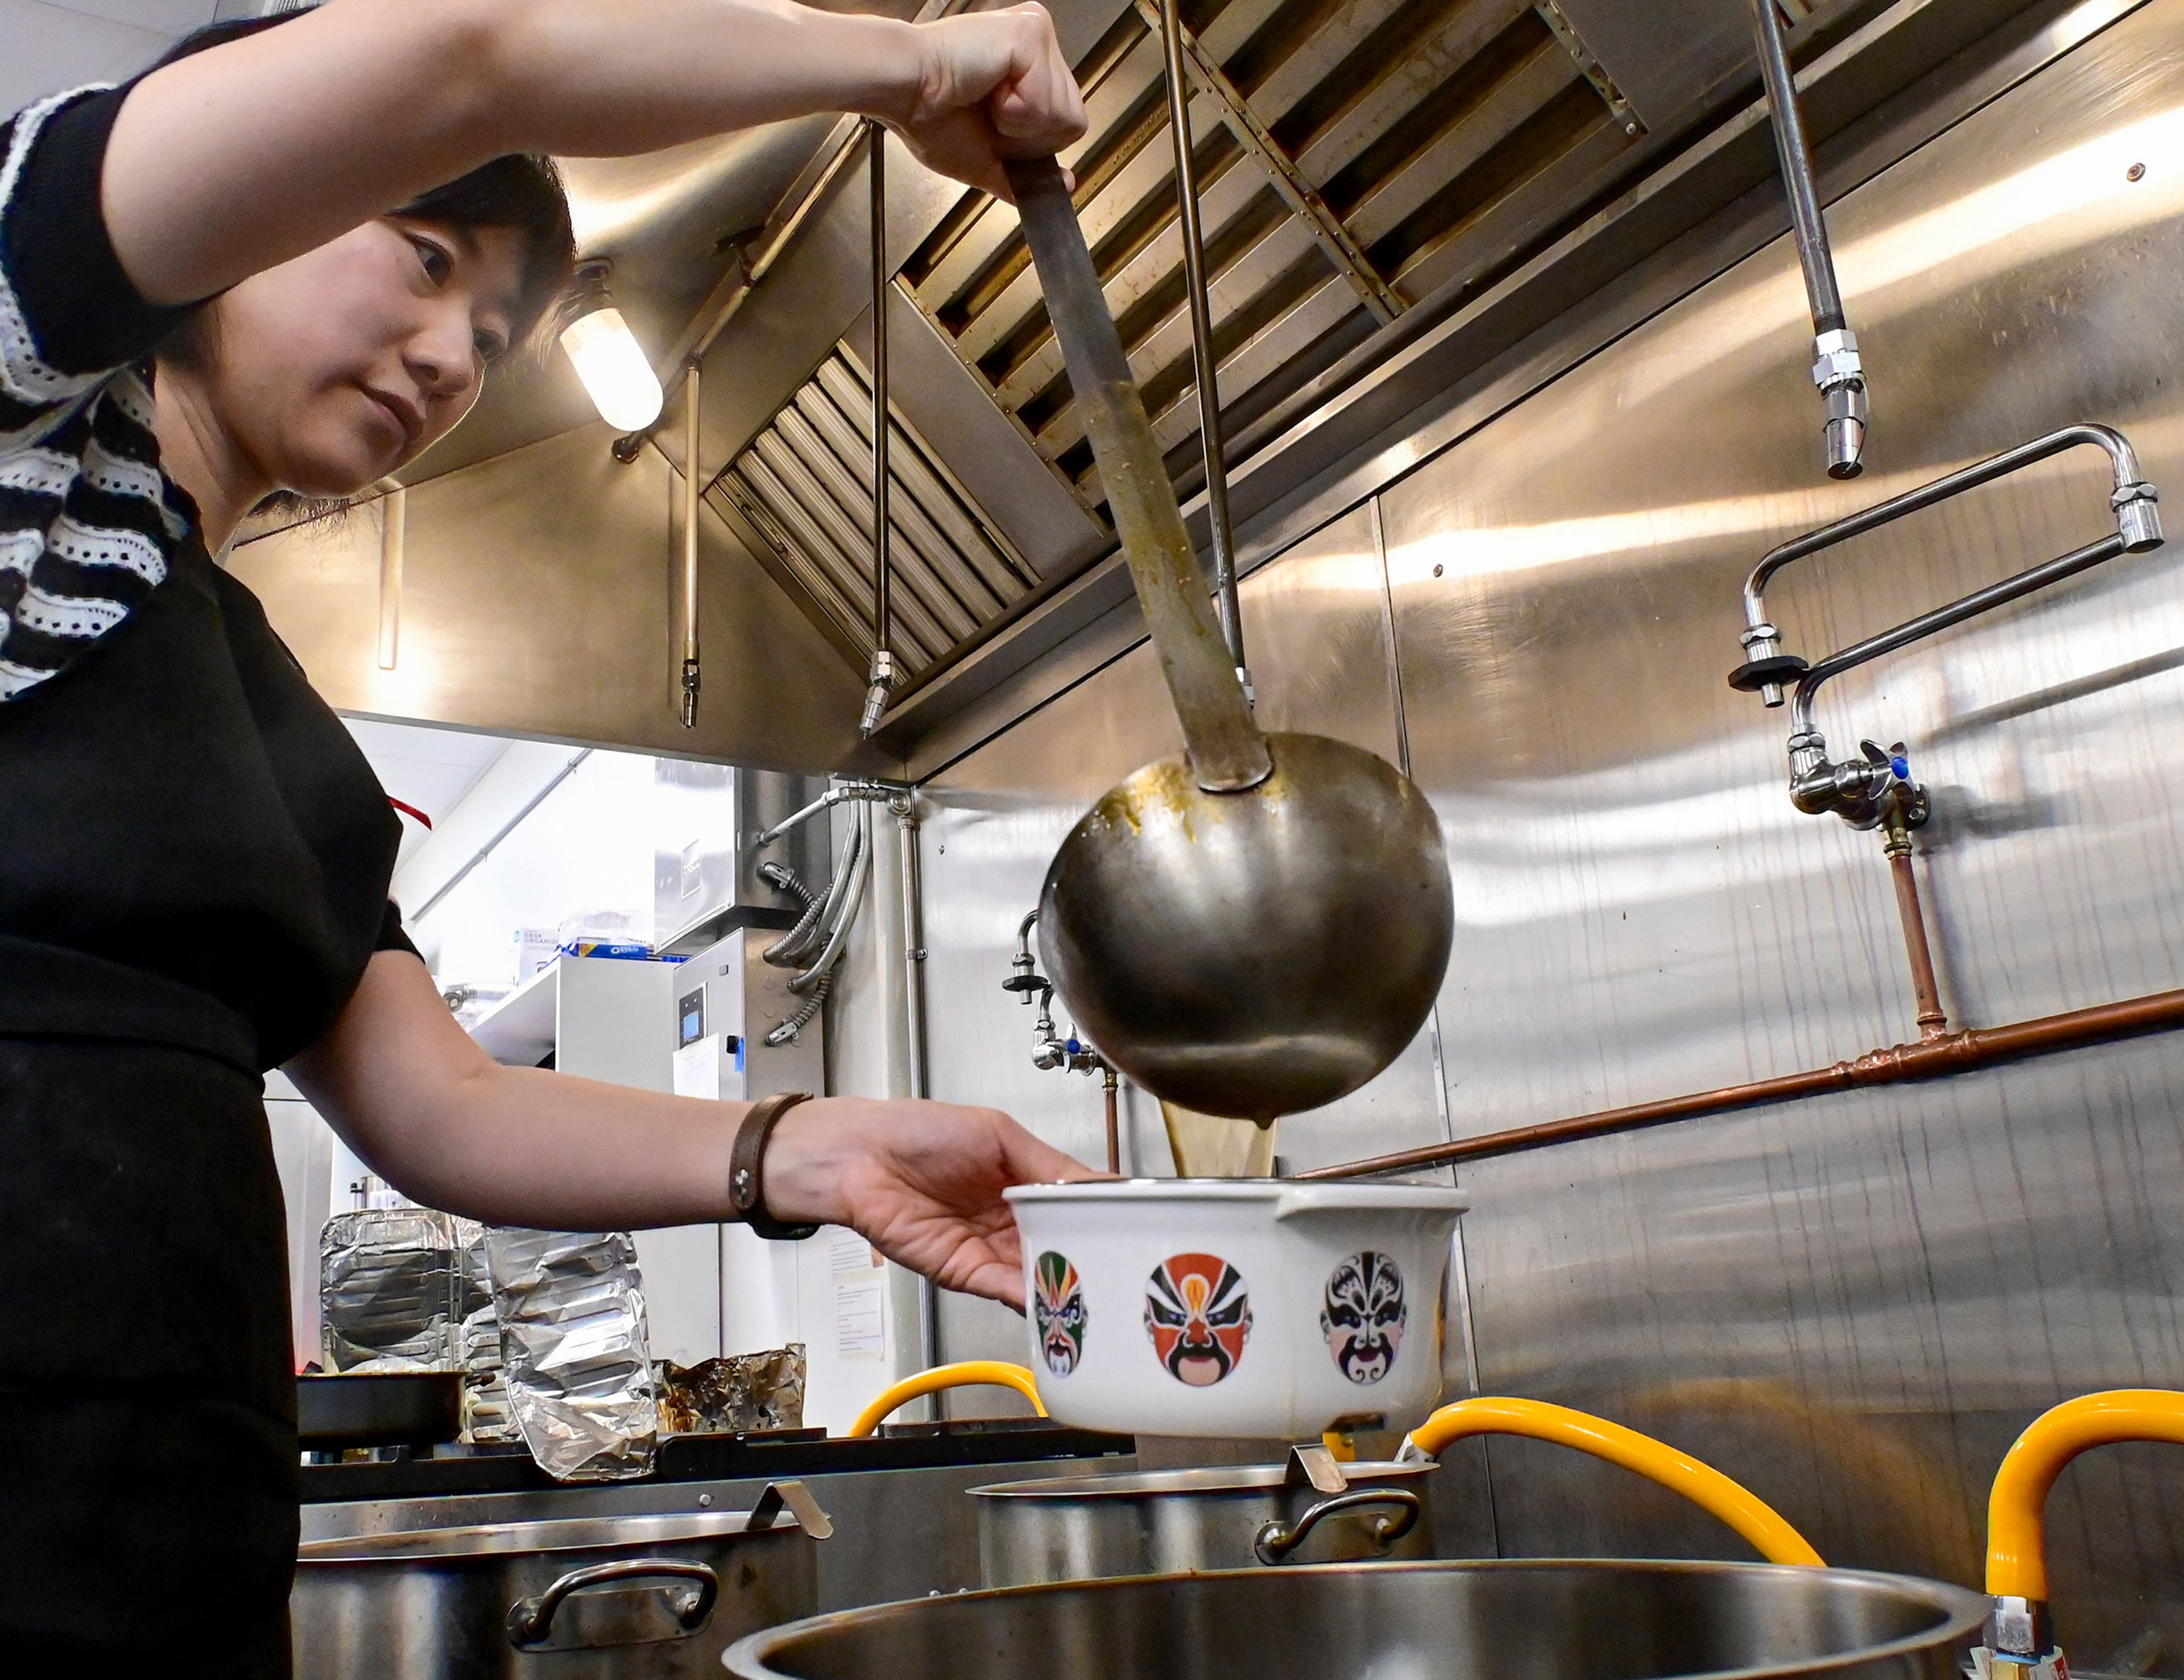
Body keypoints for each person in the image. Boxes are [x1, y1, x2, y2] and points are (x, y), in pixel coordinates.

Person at [0, 1, 1091, 1669]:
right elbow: (468, 50)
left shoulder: (281, 732)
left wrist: (820, 1152)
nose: (456, 357)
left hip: (160, 1549)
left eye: (497, 333)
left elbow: (447, 1104)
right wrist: (918, 63)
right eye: (426, 254)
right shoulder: (24, 412)